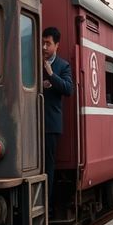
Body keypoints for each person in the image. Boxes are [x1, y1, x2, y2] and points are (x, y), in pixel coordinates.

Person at [41, 27, 73, 196]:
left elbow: (68, 89)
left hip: (50, 124)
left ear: (57, 45)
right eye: (42, 42)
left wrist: (51, 74)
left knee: (48, 165)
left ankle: (48, 202)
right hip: (31, 122)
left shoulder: (63, 65)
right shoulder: (31, 60)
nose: (44, 47)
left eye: (48, 43)